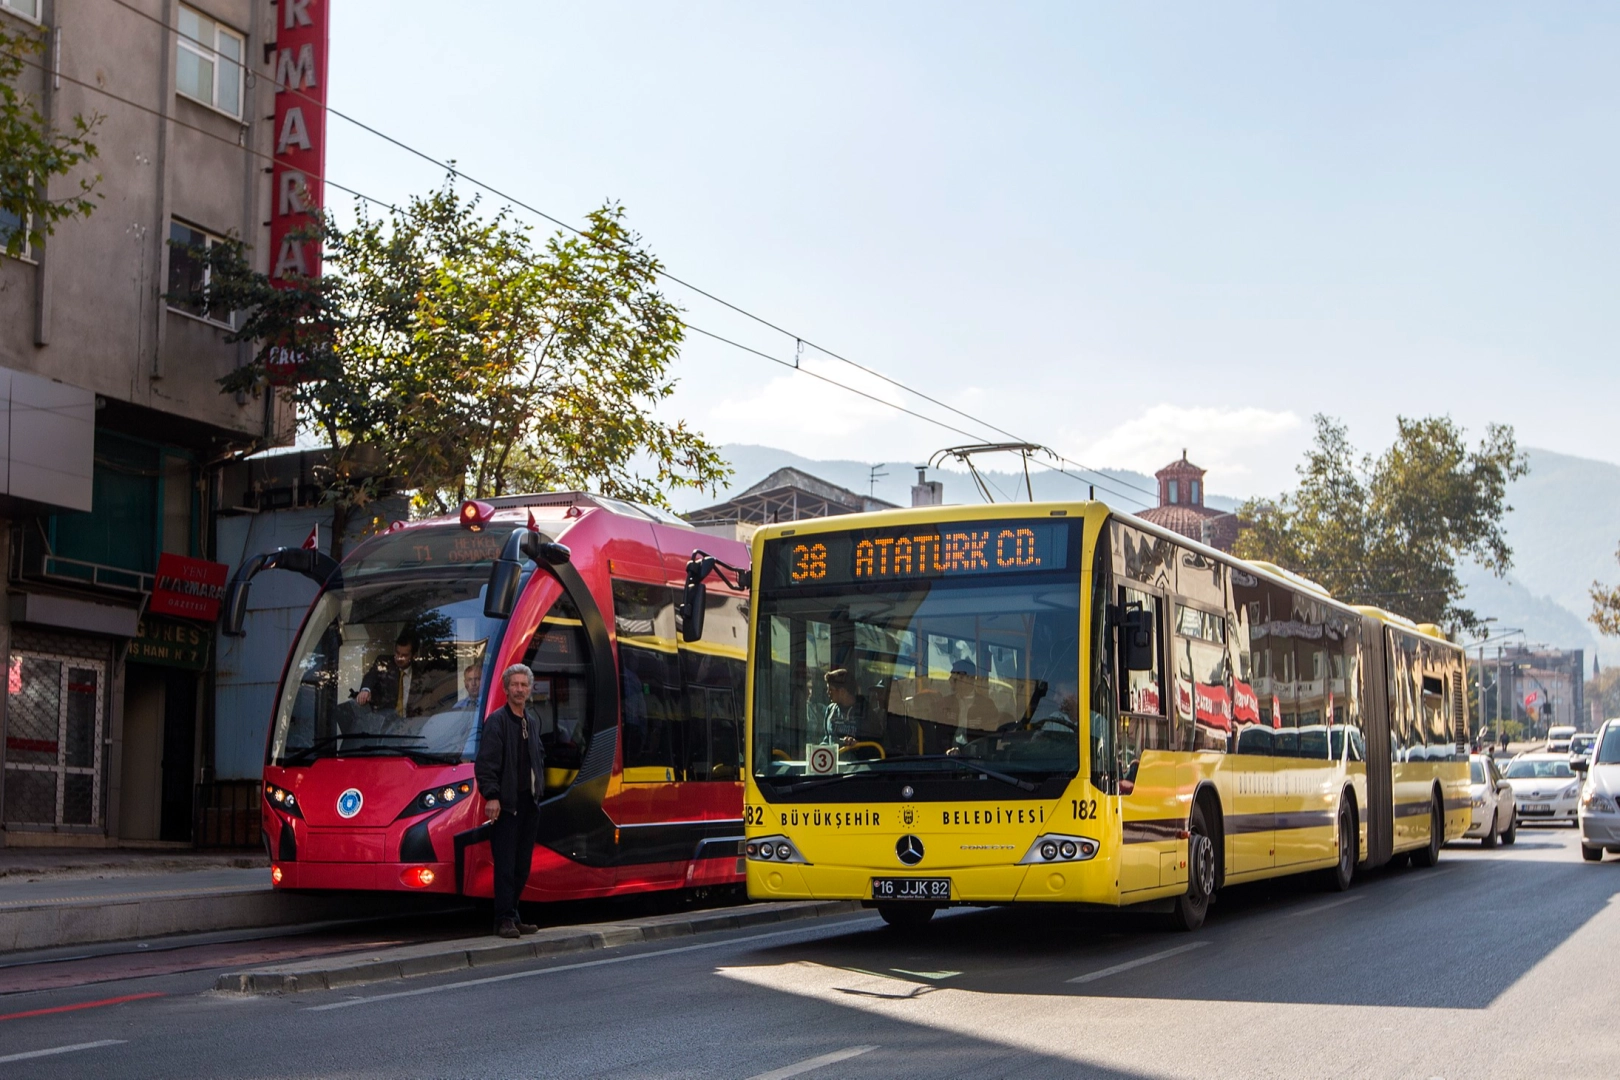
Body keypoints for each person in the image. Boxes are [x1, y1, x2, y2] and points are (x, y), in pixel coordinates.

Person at [474, 663, 546, 939]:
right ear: (506, 690)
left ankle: (513, 915)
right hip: (506, 805)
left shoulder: (532, 720)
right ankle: (503, 919)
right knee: (505, 865)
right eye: (514, 685)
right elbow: (487, 763)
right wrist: (491, 796)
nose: (519, 689)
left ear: (529, 690)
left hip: (529, 803)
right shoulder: (497, 721)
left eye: (523, 685)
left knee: (522, 865)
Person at [940, 658, 1000, 750]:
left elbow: (990, 739)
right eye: (952, 677)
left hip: (975, 756)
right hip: (946, 756)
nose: (951, 681)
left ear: (971, 679)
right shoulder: (945, 702)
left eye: (957, 679)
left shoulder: (987, 705)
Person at [359, 633, 420, 716]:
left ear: (414, 656)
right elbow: (371, 675)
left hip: (411, 723)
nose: (399, 658)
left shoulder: (420, 672)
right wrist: (365, 690)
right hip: (386, 722)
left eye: (404, 655)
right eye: (397, 653)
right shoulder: (384, 663)